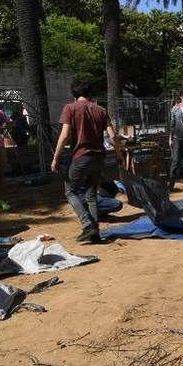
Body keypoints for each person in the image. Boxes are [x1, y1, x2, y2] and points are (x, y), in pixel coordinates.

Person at [51, 80, 123, 244]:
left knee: (70, 191)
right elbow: (113, 137)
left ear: (74, 95)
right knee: (91, 194)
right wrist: (119, 155)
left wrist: (56, 157)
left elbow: (64, 136)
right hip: (99, 158)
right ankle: (95, 232)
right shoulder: (101, 110)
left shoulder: (70, 108)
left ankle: (87, 224)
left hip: (81, 156)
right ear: (90, 94)